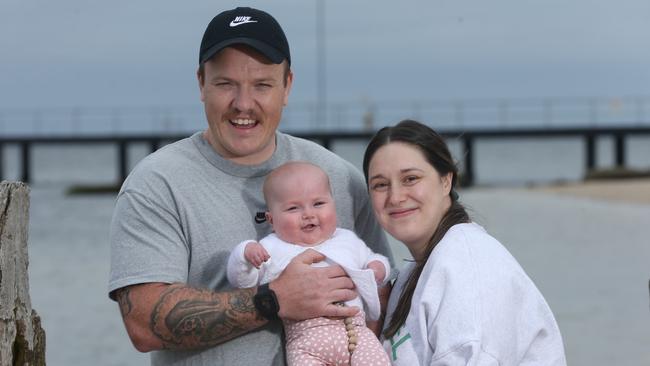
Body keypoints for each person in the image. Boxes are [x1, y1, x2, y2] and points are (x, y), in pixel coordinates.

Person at [108, 7, 392, 366]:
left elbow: (383, 302)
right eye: (226, 84)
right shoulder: (156, 184)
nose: (243, 104)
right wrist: (273, 299)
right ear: (201, 83)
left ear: (287, 86)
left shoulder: (340, 178)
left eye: (262, 85)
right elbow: (142, 324)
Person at [362, 120, 567, 365]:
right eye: (380, 185)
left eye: (411, 179)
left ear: (446, 180)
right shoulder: (412, 275)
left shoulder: (465, 263)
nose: (395, 197)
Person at [227, 161, 392, 366]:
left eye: (319, 204)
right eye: (293, 208)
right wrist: (245, 254)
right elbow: (243, 282)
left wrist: (377, 269)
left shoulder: (346, 240)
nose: (308, 214)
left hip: (356, 333)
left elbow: (375, 260)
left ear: (334, 204)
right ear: (271, 219)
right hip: (306, 340)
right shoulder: (271, 248)